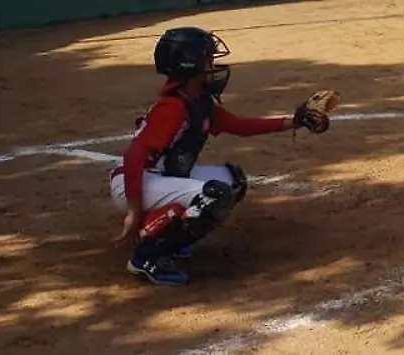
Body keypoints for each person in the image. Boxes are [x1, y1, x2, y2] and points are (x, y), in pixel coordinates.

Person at [109, 27, 332, 286]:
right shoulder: (173, 107)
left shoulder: (197, 101)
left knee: (233, 181)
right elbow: (134, 156)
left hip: (161, 175)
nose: (212, 65)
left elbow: (240, 126)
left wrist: (294, 121)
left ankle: (168, 237)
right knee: (215, 195)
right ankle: (147, 257)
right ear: (190, 64)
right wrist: (134, 211)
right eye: (207, 59)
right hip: (137, 180)